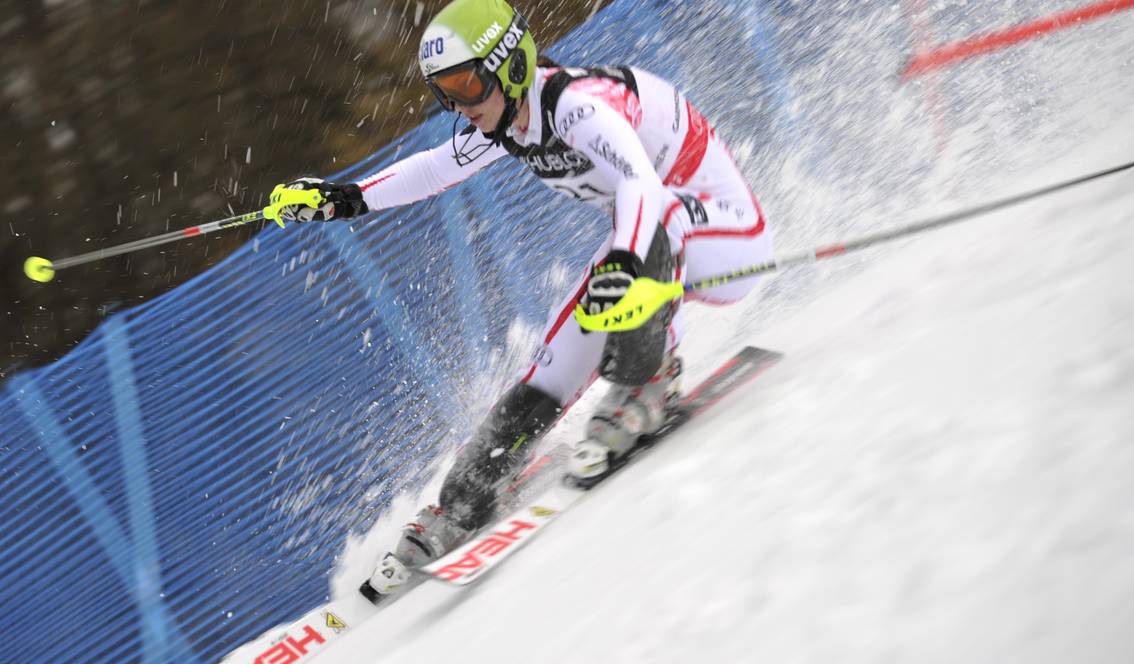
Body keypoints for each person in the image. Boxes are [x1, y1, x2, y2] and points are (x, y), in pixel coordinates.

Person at [274, 0, 773, 595]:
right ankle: (464, 496)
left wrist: (625, 259)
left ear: (509, 66)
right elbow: (434, 169)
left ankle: (649, 378)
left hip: (727, 237)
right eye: (444, 92)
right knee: (553, 363)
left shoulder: (577, 106)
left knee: (637, 246)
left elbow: (643, 185)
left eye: (465, 84)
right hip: (649, 244)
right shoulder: (506, 121)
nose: (459, 105)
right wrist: (344, 198)